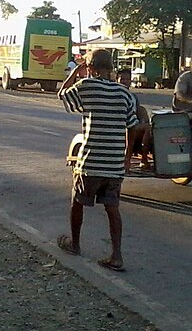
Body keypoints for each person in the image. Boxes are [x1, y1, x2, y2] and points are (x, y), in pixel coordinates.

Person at [57, 49, 139, 272]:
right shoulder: (125, 93)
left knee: (77, 202)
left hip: (91, 161)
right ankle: (117, 256)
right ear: (111, 68)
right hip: (114, 164)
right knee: (113, 209)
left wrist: (75, 72)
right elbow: (133, 127)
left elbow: (63, 94)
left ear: (90, 67)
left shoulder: (86, 86)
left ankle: (74, 245)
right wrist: (127, 157)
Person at [117, 68, 152, 169]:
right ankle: (139, 159)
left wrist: (143, 120)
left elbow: (138, 111)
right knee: (141, 128)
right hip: (121, 125)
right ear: (117, 80)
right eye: (122, 79)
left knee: (150, 128)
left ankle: (146, 157)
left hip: (134, 124)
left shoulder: (133, 97)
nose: (125, 81)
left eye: (127, 79)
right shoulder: (116, 94)